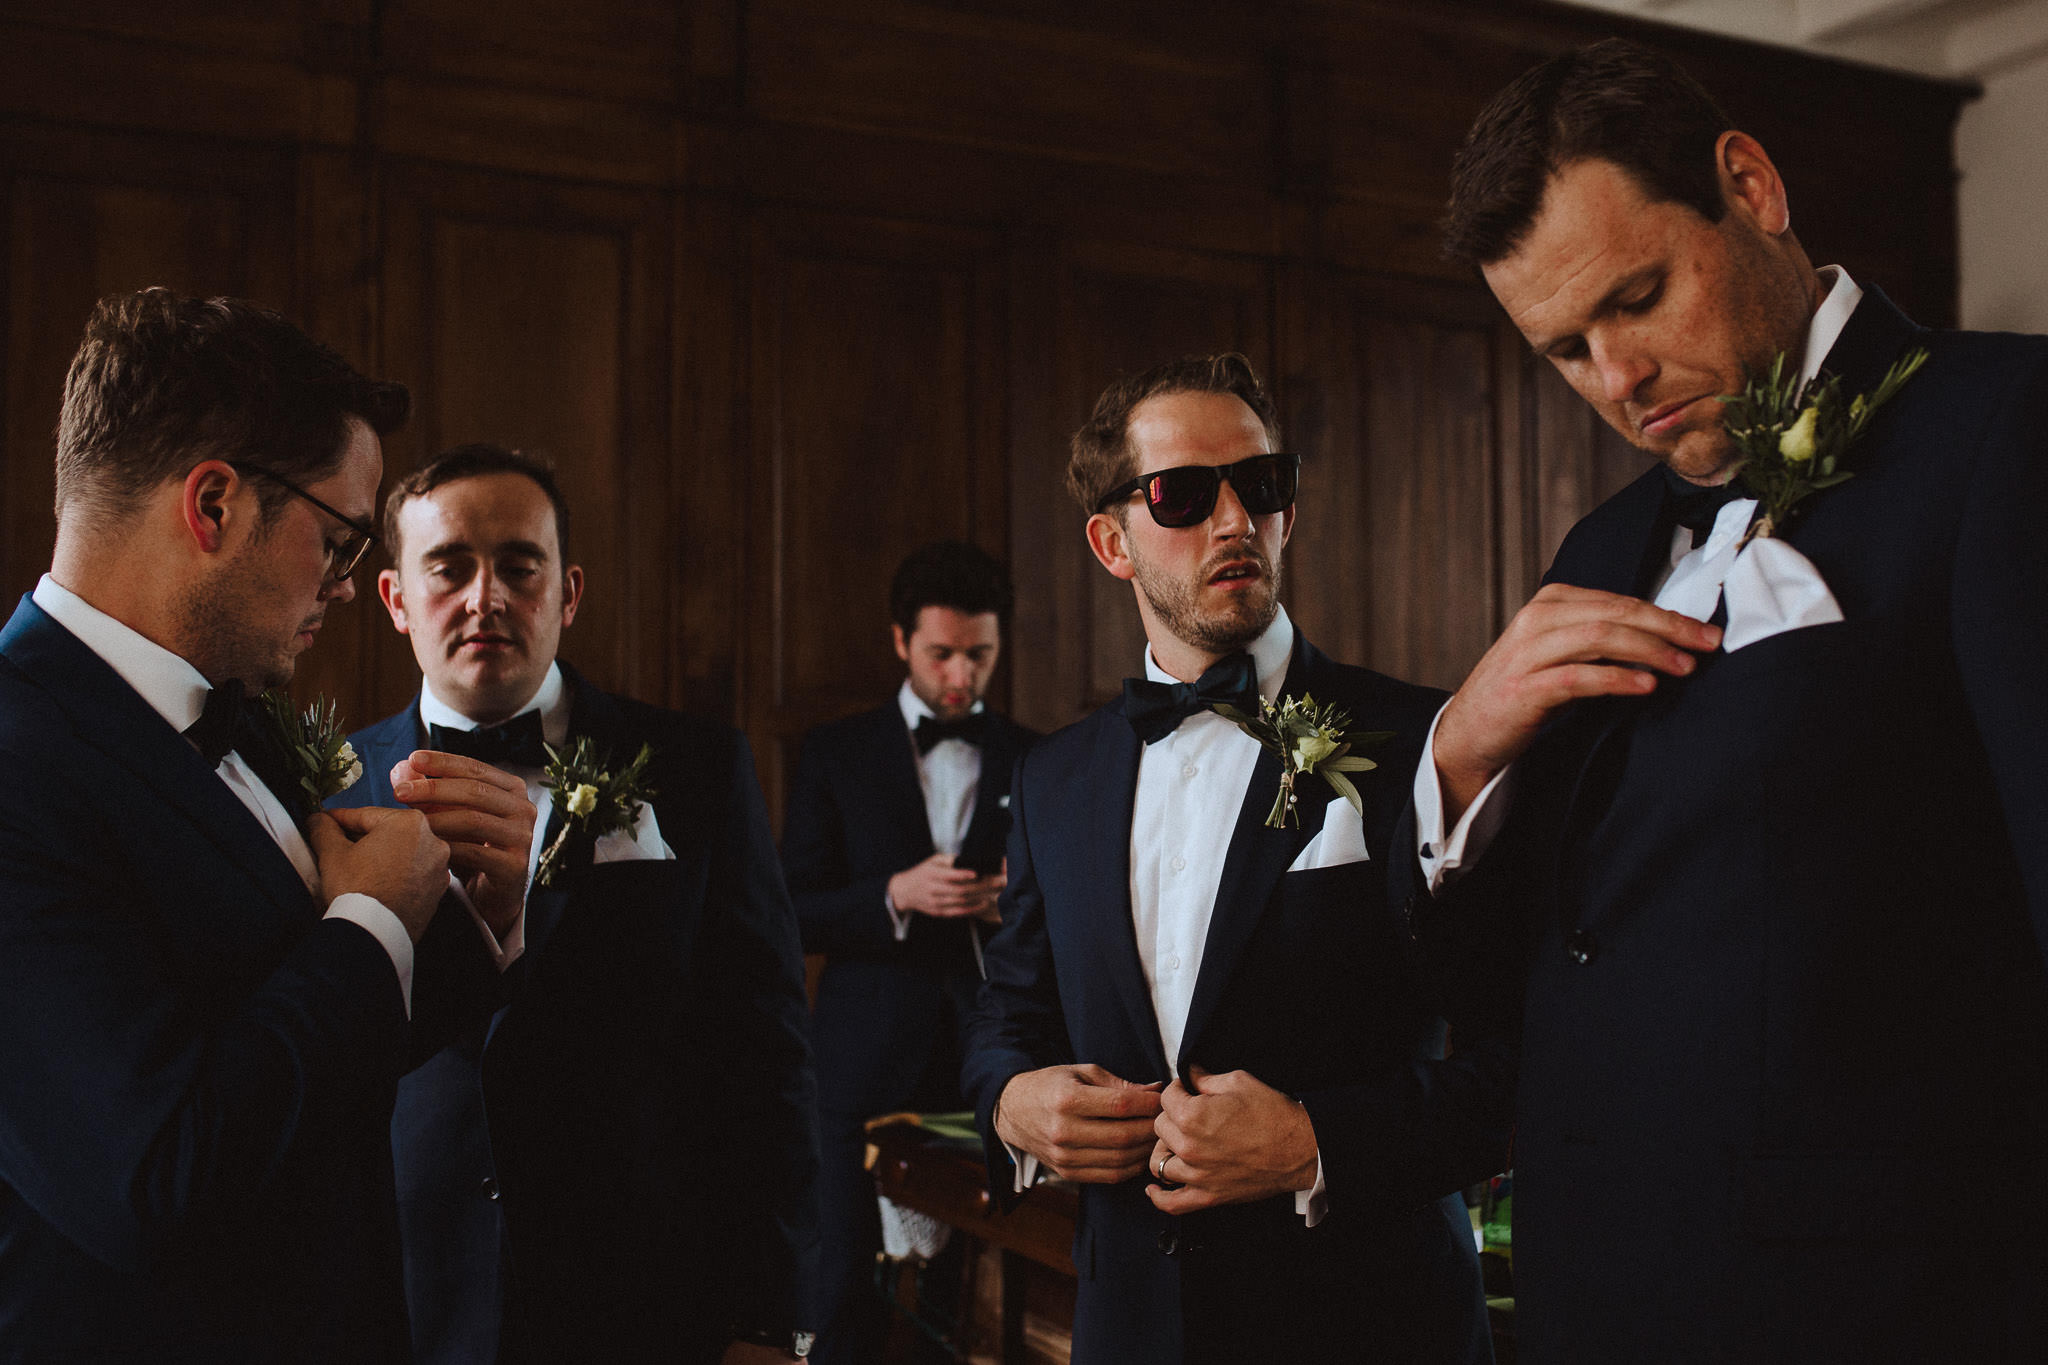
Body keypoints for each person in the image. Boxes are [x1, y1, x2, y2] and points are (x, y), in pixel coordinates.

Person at [1416, 38, 2048, 1362]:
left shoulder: (2008, 429)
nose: (1617, 379)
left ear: (1749, 187)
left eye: (1636, 298)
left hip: (1889, 1314)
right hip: (1591, 1307)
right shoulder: (1597, 547)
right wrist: (1458, 761)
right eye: (1566, 352)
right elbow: (1531, 971)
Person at [0, 289, 534, 1358]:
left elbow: (308, 1042)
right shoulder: (19, 759)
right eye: (339, 541)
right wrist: (372, 919)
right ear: (213, 506)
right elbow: (152, 1177)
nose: (344, 587)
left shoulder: (231, 712)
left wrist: (483, 916)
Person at [961, 354, 1512, 1364]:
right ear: (1110, 541)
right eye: (1180, 494)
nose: (1231, 522)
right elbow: (1009, 1011)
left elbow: (1522, 1064)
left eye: (1259, 487)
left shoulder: (1419, 741)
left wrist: (1315, 1142)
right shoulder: (1053, 780)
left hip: (1369, 1329)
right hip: (1131, 1327)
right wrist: (1007, 1099)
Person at [332, 442, 820, 1363]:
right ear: (396, 599)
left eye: (520, 566)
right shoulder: (327, 788)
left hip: (641, 1293)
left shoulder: (697, 771)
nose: (488, 598)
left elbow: (765, 1061)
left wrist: (772, 1317)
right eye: (450, 568)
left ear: (569, 592)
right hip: (401, 1301)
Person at [781, 540, 1038, 1365]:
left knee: (973, 1304)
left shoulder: (1038, 756)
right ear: (901, 642)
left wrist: (1012, 903)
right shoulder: (835, 750)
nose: (961, 673)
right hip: (860, 1061)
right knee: (842, 1287)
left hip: (987, 1059)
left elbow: (1072, 918)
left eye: (980, 654)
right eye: (942, 653)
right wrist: (894, 894)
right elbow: (793, 909)